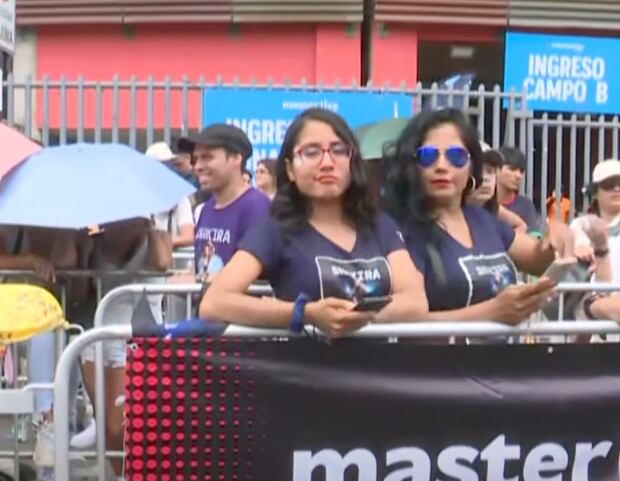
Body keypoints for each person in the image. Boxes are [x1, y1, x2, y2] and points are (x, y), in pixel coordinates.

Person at [200, 108, 428, 335]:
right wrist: (303, 313)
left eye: (338, 150)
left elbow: (415, 301)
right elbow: (214, 303)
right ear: (289, 169)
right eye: (311, 152)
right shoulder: (274, 230)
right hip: (302, 358)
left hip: (378, 359)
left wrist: (359, 318)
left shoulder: (379, 224)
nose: (327, 162)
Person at [384, 108, 574, 324]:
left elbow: (538, 261)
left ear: (472, 167)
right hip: (439, 348)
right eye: (428, 156)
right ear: (411, 166)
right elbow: (409, 320)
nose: (442, 166)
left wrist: (557, 234)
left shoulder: (482, 219)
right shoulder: (401, 232)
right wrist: (491, 313)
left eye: (456, 156)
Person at [178, 124, 271, 281]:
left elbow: (250, 277)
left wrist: (196, 280)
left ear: (236, 159)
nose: (198, 166)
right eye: (195, 159)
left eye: (207, 157)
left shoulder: (257, 208)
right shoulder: (207, 209)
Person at [571, 160, 620, 321]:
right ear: (595, 192)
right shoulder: (581, 224)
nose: (616, 188)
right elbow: (577, 243)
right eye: (608, 184)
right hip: (592, 308)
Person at [468, 143, 527, 232]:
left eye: (490, 171)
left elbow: (522, 225)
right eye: (478, 170)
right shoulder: (449, 215)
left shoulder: (492, 208)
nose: (486, 178)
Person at [145, 142, 195, 248]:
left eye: (169, 164)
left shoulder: (180, 199)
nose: (167, 169)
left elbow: (189, 236)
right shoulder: (139, 199)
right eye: (162, 164)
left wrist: (160, 243)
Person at [496, 146, 542, 232]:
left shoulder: (526, 205)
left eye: (521, 171)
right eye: (512, 169)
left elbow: (534, 236)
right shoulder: (482, 202)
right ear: (496, 170)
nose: (518, 176)